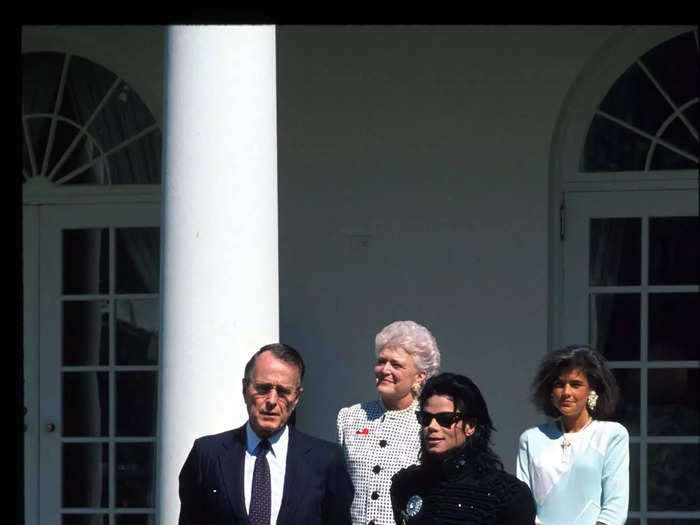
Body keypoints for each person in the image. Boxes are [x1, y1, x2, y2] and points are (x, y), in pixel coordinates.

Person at [178, 343, 354, 525]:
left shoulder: (326, 460)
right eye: (263, 389)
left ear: (296, 398)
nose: (271, 400)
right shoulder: (207, 454)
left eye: (283, 392)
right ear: (245, 389)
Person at [391, 373, 536, 525]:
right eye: (426, 418)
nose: (432, 427)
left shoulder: (507, 494)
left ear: (470, 426)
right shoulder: (406, 483)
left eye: (445, 419)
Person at [337, 320, 441, 525]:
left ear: (420, 376)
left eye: (396, 364)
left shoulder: (429, 422)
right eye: (381, 361)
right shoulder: (349, 417)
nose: (385, 369)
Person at [516, 345, 629, 525]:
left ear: (593, 390)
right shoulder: (531, 438)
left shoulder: (611, 435)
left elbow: (615, 508)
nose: (566, 392)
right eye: (559, 384)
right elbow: (522, 505)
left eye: (576, 384)